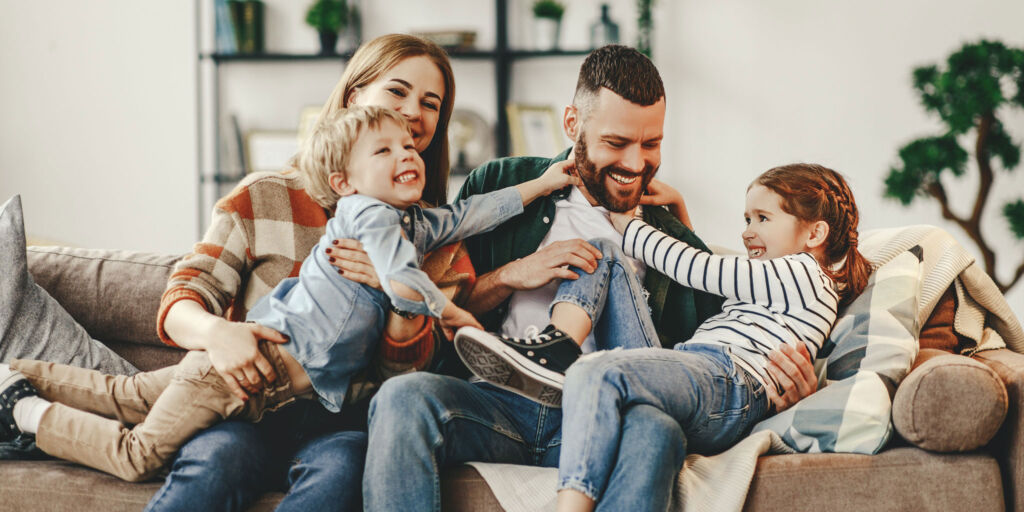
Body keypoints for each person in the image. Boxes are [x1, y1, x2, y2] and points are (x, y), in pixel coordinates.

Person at [0, 105, 579, 482]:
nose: (407, 154)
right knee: (138, 456)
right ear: (344, 183)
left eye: (410, 145)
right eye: (384, 150)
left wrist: (542, 183)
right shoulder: (368, 214)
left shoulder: (413, 222)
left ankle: (12, 373)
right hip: (240, 369)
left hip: (262, 389)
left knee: (123, 393)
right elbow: (401, 277)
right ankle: (26, 412)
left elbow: (472, 212)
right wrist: (453, 314)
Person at [362, 45, 822, 511]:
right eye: (616, 143)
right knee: (403, 398)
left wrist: (789, 390)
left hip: (604, 416)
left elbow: (712, 357)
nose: (635, 164)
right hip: (497, 404)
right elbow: (442, 312)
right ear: (572, 123)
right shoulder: (503, 182)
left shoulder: (668, 236)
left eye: (651, 144)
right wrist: (511, 276)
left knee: (657, 429)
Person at [151, 34, 463, 511]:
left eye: (430, 103)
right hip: (247, 410)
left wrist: (394, 286)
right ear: (354, 97)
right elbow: (184, 297)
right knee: (214, 463)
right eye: (397, 91)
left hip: (340, 425)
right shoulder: (264, 194)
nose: (412, 111)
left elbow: (402, 380)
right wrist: (217, 334)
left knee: (341, 473)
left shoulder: (432, 237)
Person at [552, 163, 871, 511]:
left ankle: (552, 368)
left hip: (729, 379)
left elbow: (697, 269)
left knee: (596, 371)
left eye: (762, 218)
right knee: (650, 428)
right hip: (704, 375)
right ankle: (558, 341)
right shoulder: (778, 285)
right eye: (747, 220)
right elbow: (709, 282)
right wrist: (679, 209)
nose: (747, 232)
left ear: (815, 234)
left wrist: (628, 224)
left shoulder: (804, 272)